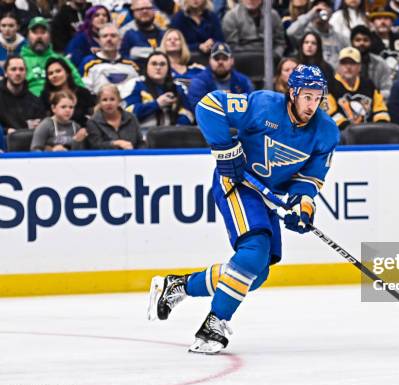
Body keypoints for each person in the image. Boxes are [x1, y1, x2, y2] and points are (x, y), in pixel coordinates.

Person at [147, 64, 339, 354]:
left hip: (266, 197)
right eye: (306, 97)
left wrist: (303, 205)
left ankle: (178, 286)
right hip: (236, 183)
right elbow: (209, 104)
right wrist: (224, 149)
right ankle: (215, 322)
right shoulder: (263, 105)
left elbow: (309, 180)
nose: (312, 105)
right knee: (254, 251)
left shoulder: (326, 131)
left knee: (256, 272)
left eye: (317, 98)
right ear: (293, 93)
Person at [125, 51, 193, 132]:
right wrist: (157, 104)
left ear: (168, 68)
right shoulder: (135, 84)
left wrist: (178, 127)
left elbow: (189, 113)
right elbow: (128, 114)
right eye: (154, 64)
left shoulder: (177, 87)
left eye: (162, 64)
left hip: (173, 133)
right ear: (146, 67)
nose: (158, 67)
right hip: (143, 133)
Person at [326, 47, 390, 129]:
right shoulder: (329, 86)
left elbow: (380, 110)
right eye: (344, 63)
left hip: (369, 132)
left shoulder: (369, 84)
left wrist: (380, 126)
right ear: (339, 66)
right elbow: (331, 115)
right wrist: (352, 131)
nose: (348, 67)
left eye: (353, 63)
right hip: (342, 135)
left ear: (359, 67)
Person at [21, 16, 85, 97]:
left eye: (43, 32)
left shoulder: (61, 60)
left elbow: (79, 84)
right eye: (35, 32)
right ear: (28, 36)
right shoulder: (19, 61)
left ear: (50, 36)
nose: (39, 36)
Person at [187, 42, 254, 110]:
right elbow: (198, 109)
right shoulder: (198, 81)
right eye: (216, 58)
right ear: (210, 60)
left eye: (224, 58)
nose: (220, 62)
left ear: (232, 61)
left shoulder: (244, 81)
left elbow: (251, 108)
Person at [80, 23, 140, 98]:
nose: (109, 39)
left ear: (120, 41)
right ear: (99, 40)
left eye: (113, 36)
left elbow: (139, 90)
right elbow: (84, 91)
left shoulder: (131, 65)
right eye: (105, 36)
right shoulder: (89, 63)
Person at [285, 0, 347, 68]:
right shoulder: (306, 35)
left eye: (325, 7)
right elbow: (290, 32)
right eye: (318, 9)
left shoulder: (339, 38)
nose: (321, 11)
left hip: (333, 76)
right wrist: (310, 14)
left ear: (331, 11)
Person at [86, 84, 146, 149]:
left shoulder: (131, 117)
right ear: (99, 103)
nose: (108, 103)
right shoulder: (93, 122)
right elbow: (95, 145)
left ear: (119, 101)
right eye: (104, 100)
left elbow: (140, 142)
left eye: (112, 99)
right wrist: (116, 143)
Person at [41, 57, 96, 126]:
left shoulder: (83, 93)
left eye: (58, 71)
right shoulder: (45, 96)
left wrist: (85, 130)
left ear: (67, 73)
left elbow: (93, 117)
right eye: (50, 73)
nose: (54, 75)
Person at [0, 56, 46, 136]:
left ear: (26, 73)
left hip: (27, 142)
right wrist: (6, 130)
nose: (18, 73)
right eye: (13, 69)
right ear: (5, 73)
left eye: (21, 69)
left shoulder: (35, 101)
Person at [350, 25, 392, 99]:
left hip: (376, 102)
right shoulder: (344, 63)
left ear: (371, 42)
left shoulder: (380, 63)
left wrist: (372, 97)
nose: (362, 43)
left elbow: (388, 90)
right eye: (358, 40)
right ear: (352, 42)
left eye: (365, 40)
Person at [120, 0, 166, 67]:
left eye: (148, 8)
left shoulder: (164, 34)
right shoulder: (124, 33)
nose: (145, 11)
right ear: (133, 12)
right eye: (140, 9)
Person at [368, 7, 399, 76]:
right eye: (378, 19)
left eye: (386, 19)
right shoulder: (368, 40)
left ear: (392, 22)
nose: (383, 22)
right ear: (372, 23)